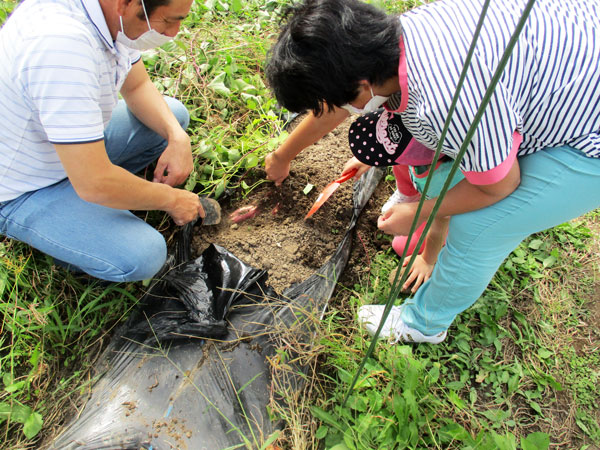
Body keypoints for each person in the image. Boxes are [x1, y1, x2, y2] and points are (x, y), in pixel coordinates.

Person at [265, 0, 600, 344]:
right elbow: (340, 105)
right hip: (579, 42)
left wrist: (417, 212)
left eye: (335, 101)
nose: (340, 110)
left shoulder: (446, 105)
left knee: (480, 225)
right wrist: (282, 155)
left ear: (363, 87)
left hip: (591, 133)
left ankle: (424, 323)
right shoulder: (390, 42)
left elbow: (500, 186)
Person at [0, 0, 204, 282]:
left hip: (62, 149)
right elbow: (93, 182)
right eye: (168, 21)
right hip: (24, 186)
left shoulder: (109, 18)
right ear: (125, 4)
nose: (173, 33)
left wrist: (176, 136)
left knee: (173, 117)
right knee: (143, 255)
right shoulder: (61, 48)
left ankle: (93, 204)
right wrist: (172, 200)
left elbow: (137, 86)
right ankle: (64, 237)